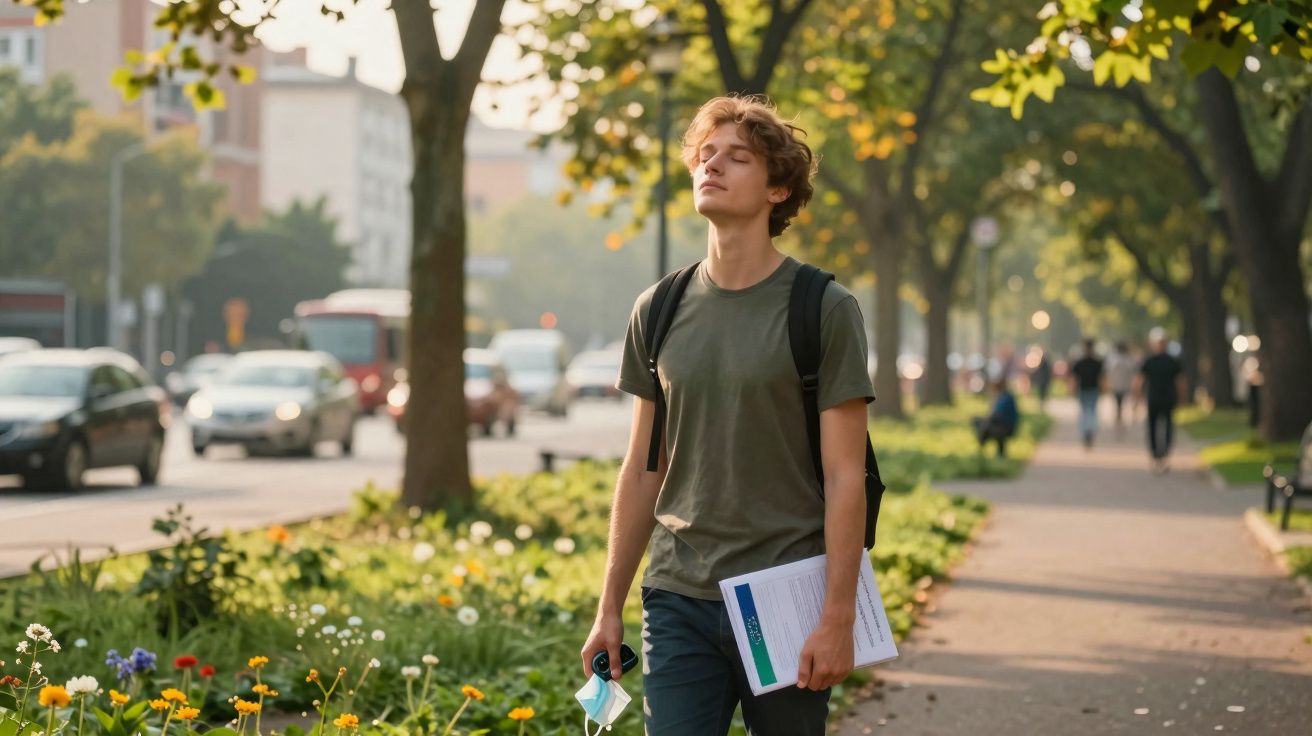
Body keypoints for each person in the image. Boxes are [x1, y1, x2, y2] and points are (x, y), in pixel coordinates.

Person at [580, 96, 875, 736]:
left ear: (777, 188)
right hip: (677, 597)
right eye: (705, 154)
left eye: (737, 157)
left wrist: (838, 616)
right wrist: (610, 606)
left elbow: (846, 475)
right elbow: (641, 470)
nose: (712, 165)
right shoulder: (657, 308)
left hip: (786, 598)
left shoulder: (823, 308)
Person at [1134, 331, 1187, 473]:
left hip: (1160, 399)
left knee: (1159, 427)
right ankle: (1160, 453)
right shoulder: (1170, 361)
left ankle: (1159, 453)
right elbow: (1180, 382)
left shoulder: (1152, 361)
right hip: (1161, 399)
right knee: (1164, 427)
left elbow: (1139, 381)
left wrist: (1137, 397)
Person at [1069, 339, 1105, 449]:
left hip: (1085, 391)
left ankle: (1086, 433)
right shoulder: (1097, 363)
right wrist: (1103, 389)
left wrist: (1072, 390)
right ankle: (1089, 433)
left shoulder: (1079, 363)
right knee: (1092, 413)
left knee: (1085, 413)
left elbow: (1074, 379)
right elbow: (1102, 379)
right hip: (1092, 391)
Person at [973, 379, 1019, 457]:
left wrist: (986, 419)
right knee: (983, 424)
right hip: (1005, 426)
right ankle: (992, 452)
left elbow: (997, 415)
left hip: (1005, 427)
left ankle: (981, 451)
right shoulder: (1005, 397)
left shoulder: (1004, 399)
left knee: (984, 426)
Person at [1106, 341, 1138, 434]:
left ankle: (1119, 423)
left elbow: (1109, 373)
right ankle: (1120, 423)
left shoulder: (1113, 359)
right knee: (1121, 405)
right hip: (1124, 385)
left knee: (1119, 405)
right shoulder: (1129, 359)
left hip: (1118, 385)